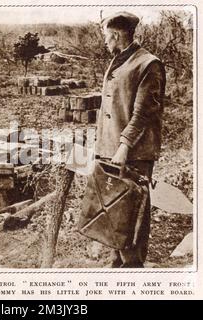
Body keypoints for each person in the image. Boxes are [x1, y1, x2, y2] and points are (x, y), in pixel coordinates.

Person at [95, 12, 166, 267]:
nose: (105, 42)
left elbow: (144, 114)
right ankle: (118, 264)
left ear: (116, 35)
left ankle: (133, 269)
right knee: (114, 211)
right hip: (111, 149)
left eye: (106, 36)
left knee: (132, 213)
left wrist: (124, 147)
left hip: (133, 153)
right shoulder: (119, 61)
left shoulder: (147, 64)